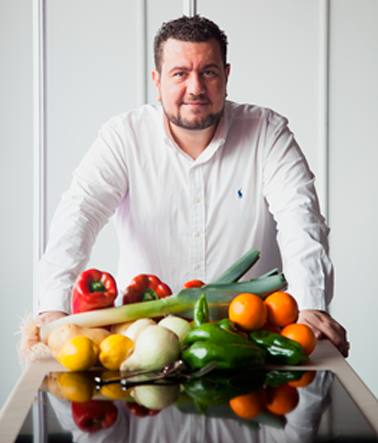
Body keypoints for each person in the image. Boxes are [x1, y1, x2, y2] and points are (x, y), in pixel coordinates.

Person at [36, 15, 349, 356]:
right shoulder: (123, 137)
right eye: (180, 74)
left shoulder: (266, 132)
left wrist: (311, 303)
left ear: (226, 76)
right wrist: (54, 309)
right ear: (157, 81)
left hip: (250, 338)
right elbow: (78, 214)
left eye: (209, 72)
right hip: (145, 341)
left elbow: (300, 218)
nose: (196, 88)